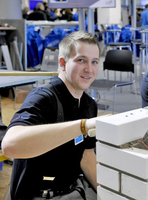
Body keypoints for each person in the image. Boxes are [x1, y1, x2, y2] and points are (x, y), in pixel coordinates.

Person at [2, 31, 102, 200]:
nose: (89, 69)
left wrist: (107, 192)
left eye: (94, 62)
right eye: (81, 60)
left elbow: (86, 155)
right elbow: (10, 145)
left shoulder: (89, 105)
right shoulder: (43, 98)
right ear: (62, 63)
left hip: (71, 190)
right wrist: (82, 126)